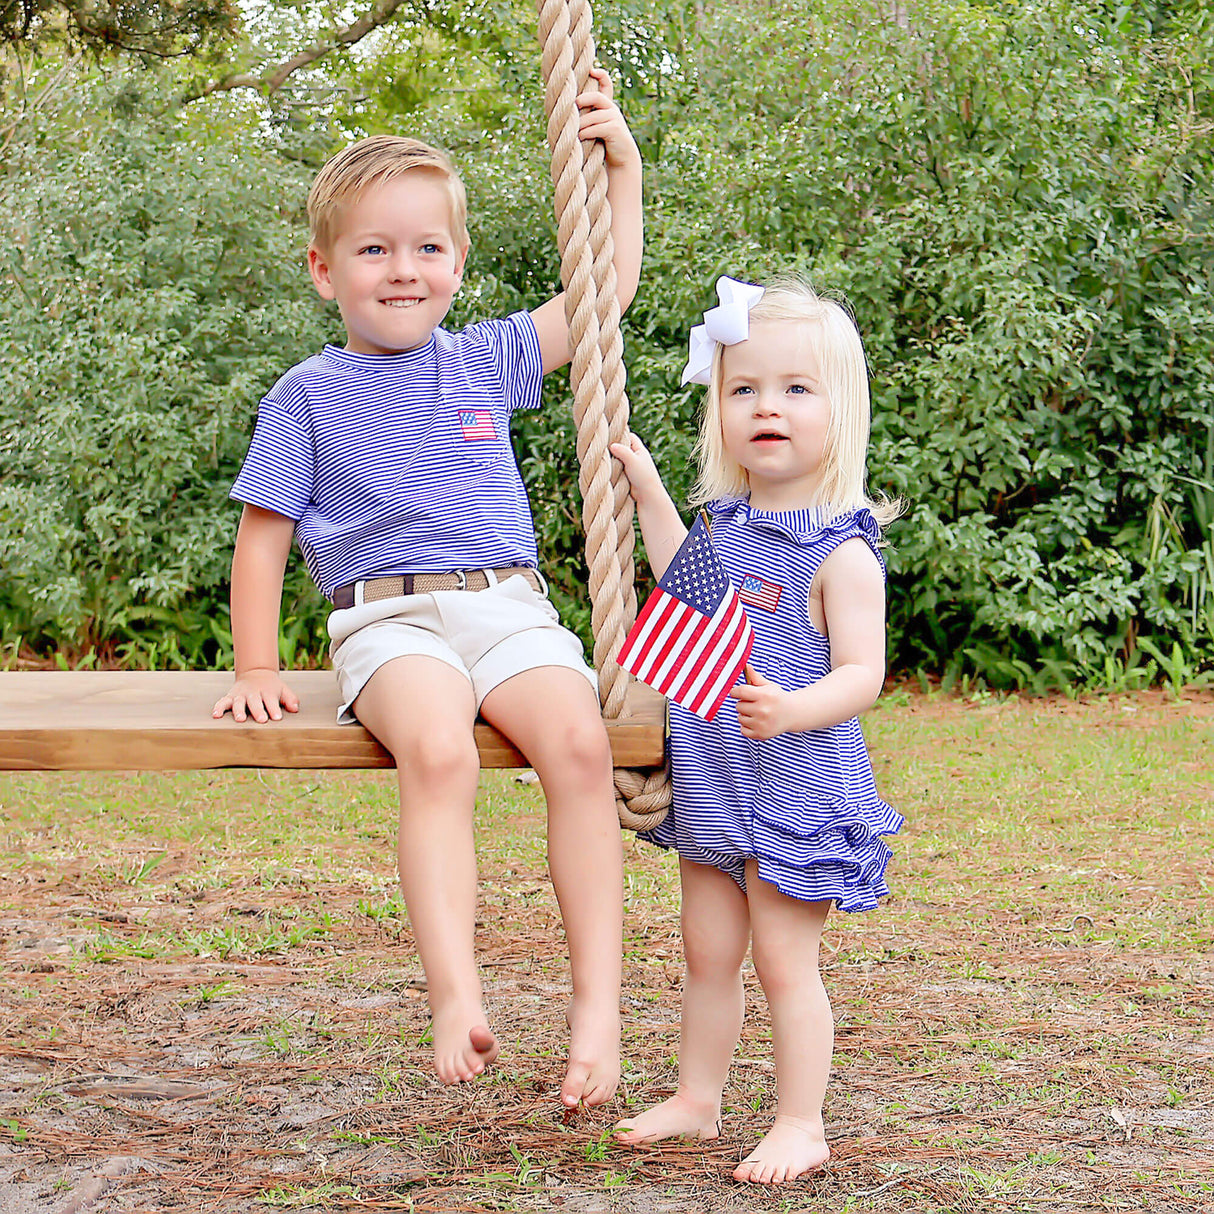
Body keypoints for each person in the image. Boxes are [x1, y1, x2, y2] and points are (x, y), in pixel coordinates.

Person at [211, 69, 643, 1110]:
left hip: (506, 605)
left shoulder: (486, 358)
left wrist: (619, 167)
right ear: (325, 271)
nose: (402, 270)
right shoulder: (306, 395)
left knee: (579, 744)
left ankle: (598, 1007)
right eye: (373, 249)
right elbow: (263, 537)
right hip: (388, 613)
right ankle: (455, 992)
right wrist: (256, 665)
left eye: (426, 248)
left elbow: (605, 289)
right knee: (438, 746)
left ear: (456, 261)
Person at [609, 275, 904, 1182]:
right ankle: (699, 1099)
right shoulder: (723, 527)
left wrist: (794, 706)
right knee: (705, 953)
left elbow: (864, 674)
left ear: (837, 412)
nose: (766, 407)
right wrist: (648, 488)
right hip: (714, 783)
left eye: (794, 390)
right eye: (744, 390)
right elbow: (681, 584)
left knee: (784, 962)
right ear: (720, 414)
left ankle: (801, 1122)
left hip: (795, 790)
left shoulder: (842, 551)